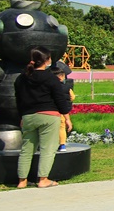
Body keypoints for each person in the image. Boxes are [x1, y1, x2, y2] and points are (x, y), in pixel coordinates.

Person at [13, 46, 71, 188]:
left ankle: (22, 181)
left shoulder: (21, 79)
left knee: (27, 149)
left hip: (28, 116)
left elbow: (18, 99)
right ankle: (43, 179)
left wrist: (22, 116)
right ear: (46, 60)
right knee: (48, 148)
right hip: (49, 116)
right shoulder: (51, 78)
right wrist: (67, 118)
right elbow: (60, 100)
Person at [51, 60, 75, 151]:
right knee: (62, 128)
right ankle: (62, 145)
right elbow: (72, 97)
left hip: (51, 110)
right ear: (61, 77)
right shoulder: (66, 87)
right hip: (62, 112)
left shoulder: (49, 86)